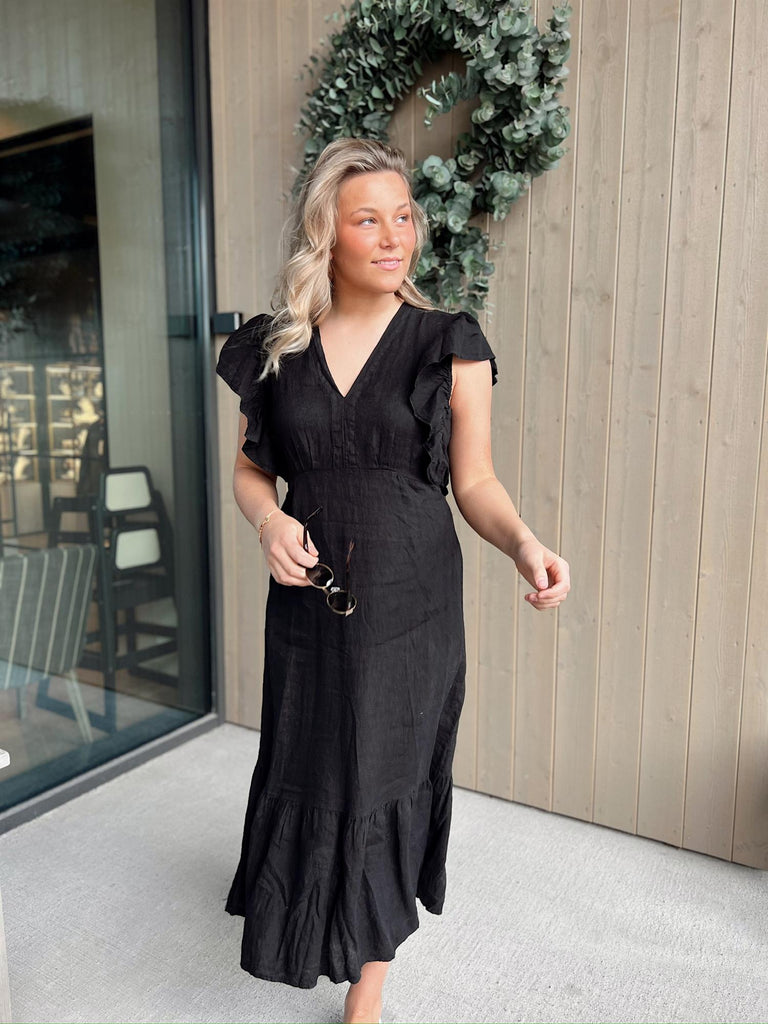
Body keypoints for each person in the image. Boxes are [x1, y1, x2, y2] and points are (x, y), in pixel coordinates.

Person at [216, 137, 570, 1023]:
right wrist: (269, 522)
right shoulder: (278, 344)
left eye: (403, 217)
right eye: (367, 219)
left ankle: (368, 981)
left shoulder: (448, 343)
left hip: (412, 601)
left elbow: (475, 481)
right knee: (309, 759)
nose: (393, 236)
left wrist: (524, 544)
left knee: (384, 769)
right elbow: (252, 471)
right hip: (310, 600)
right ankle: (309, 921)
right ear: (325, 234)